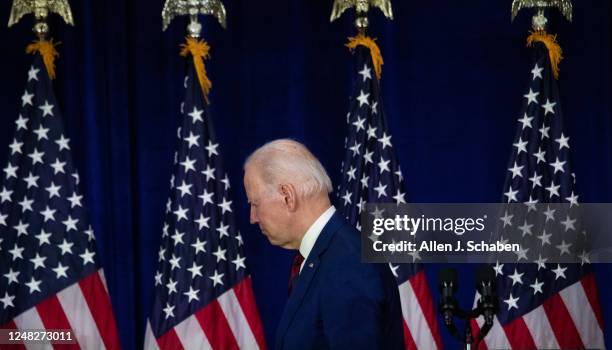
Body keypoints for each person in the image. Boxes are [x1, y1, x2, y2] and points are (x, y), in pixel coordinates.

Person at [243, 139, 404, 350]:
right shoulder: (325, 255)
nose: (252, 218)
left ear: (287, 196)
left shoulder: (347, 263)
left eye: (255, 203)